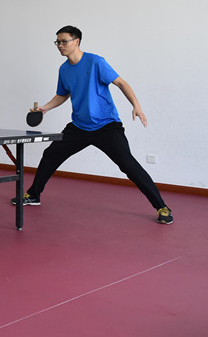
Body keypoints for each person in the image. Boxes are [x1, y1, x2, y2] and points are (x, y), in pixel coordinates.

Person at [12, 26, 173, 225]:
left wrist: (136, 106)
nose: (60, 45)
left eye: (64, 41)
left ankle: (161, 207)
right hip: (79, 127)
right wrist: (45, 108)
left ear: (77, 41)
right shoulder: (64, 69)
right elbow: (63, 94)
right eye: (57, 42)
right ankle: (34, 194)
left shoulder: (96, 62)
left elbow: (121, 83)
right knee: (50, 155)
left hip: (106, 126)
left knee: (128, 165)